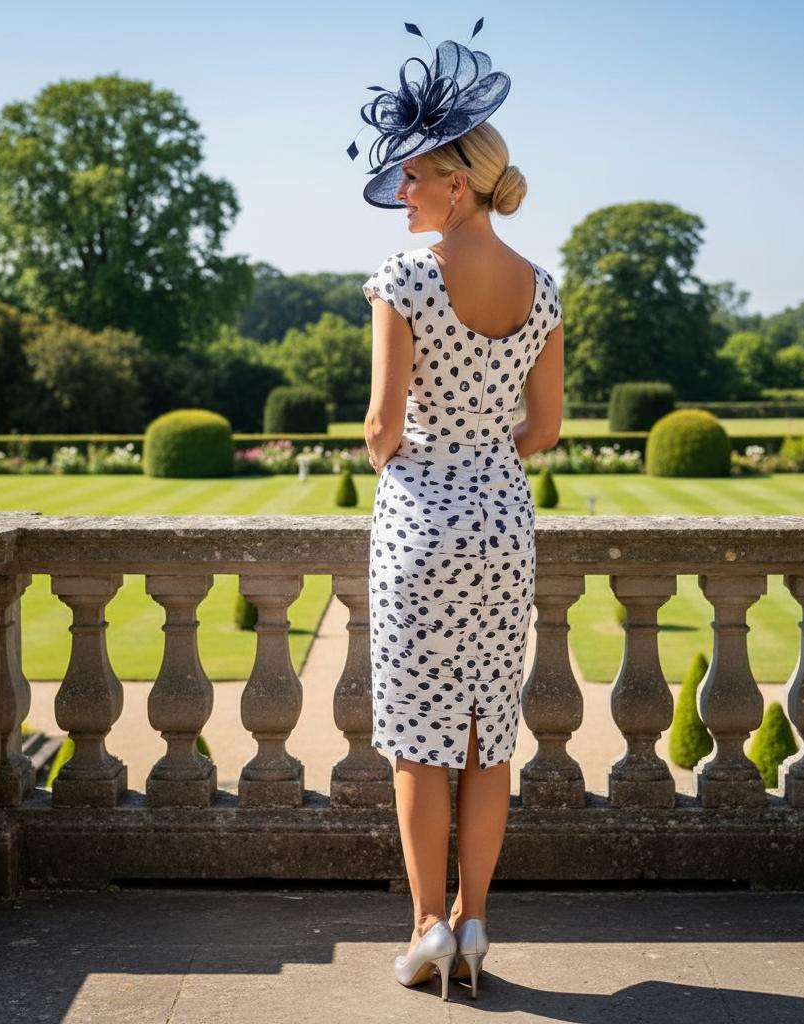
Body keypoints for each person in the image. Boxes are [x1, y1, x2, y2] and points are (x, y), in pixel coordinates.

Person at [349, 18, 564, 1001]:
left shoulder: (405, 277)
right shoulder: (542, 288)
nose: (400, 191)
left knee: (415, 740)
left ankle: (426, 926)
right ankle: (476, 921)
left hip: (420, 526)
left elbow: (382, 425)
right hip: (502, 527)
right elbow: (546, 429)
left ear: (455, 181)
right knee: (486, 738)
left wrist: (395, 454)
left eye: (411, 175)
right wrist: (485, 461)